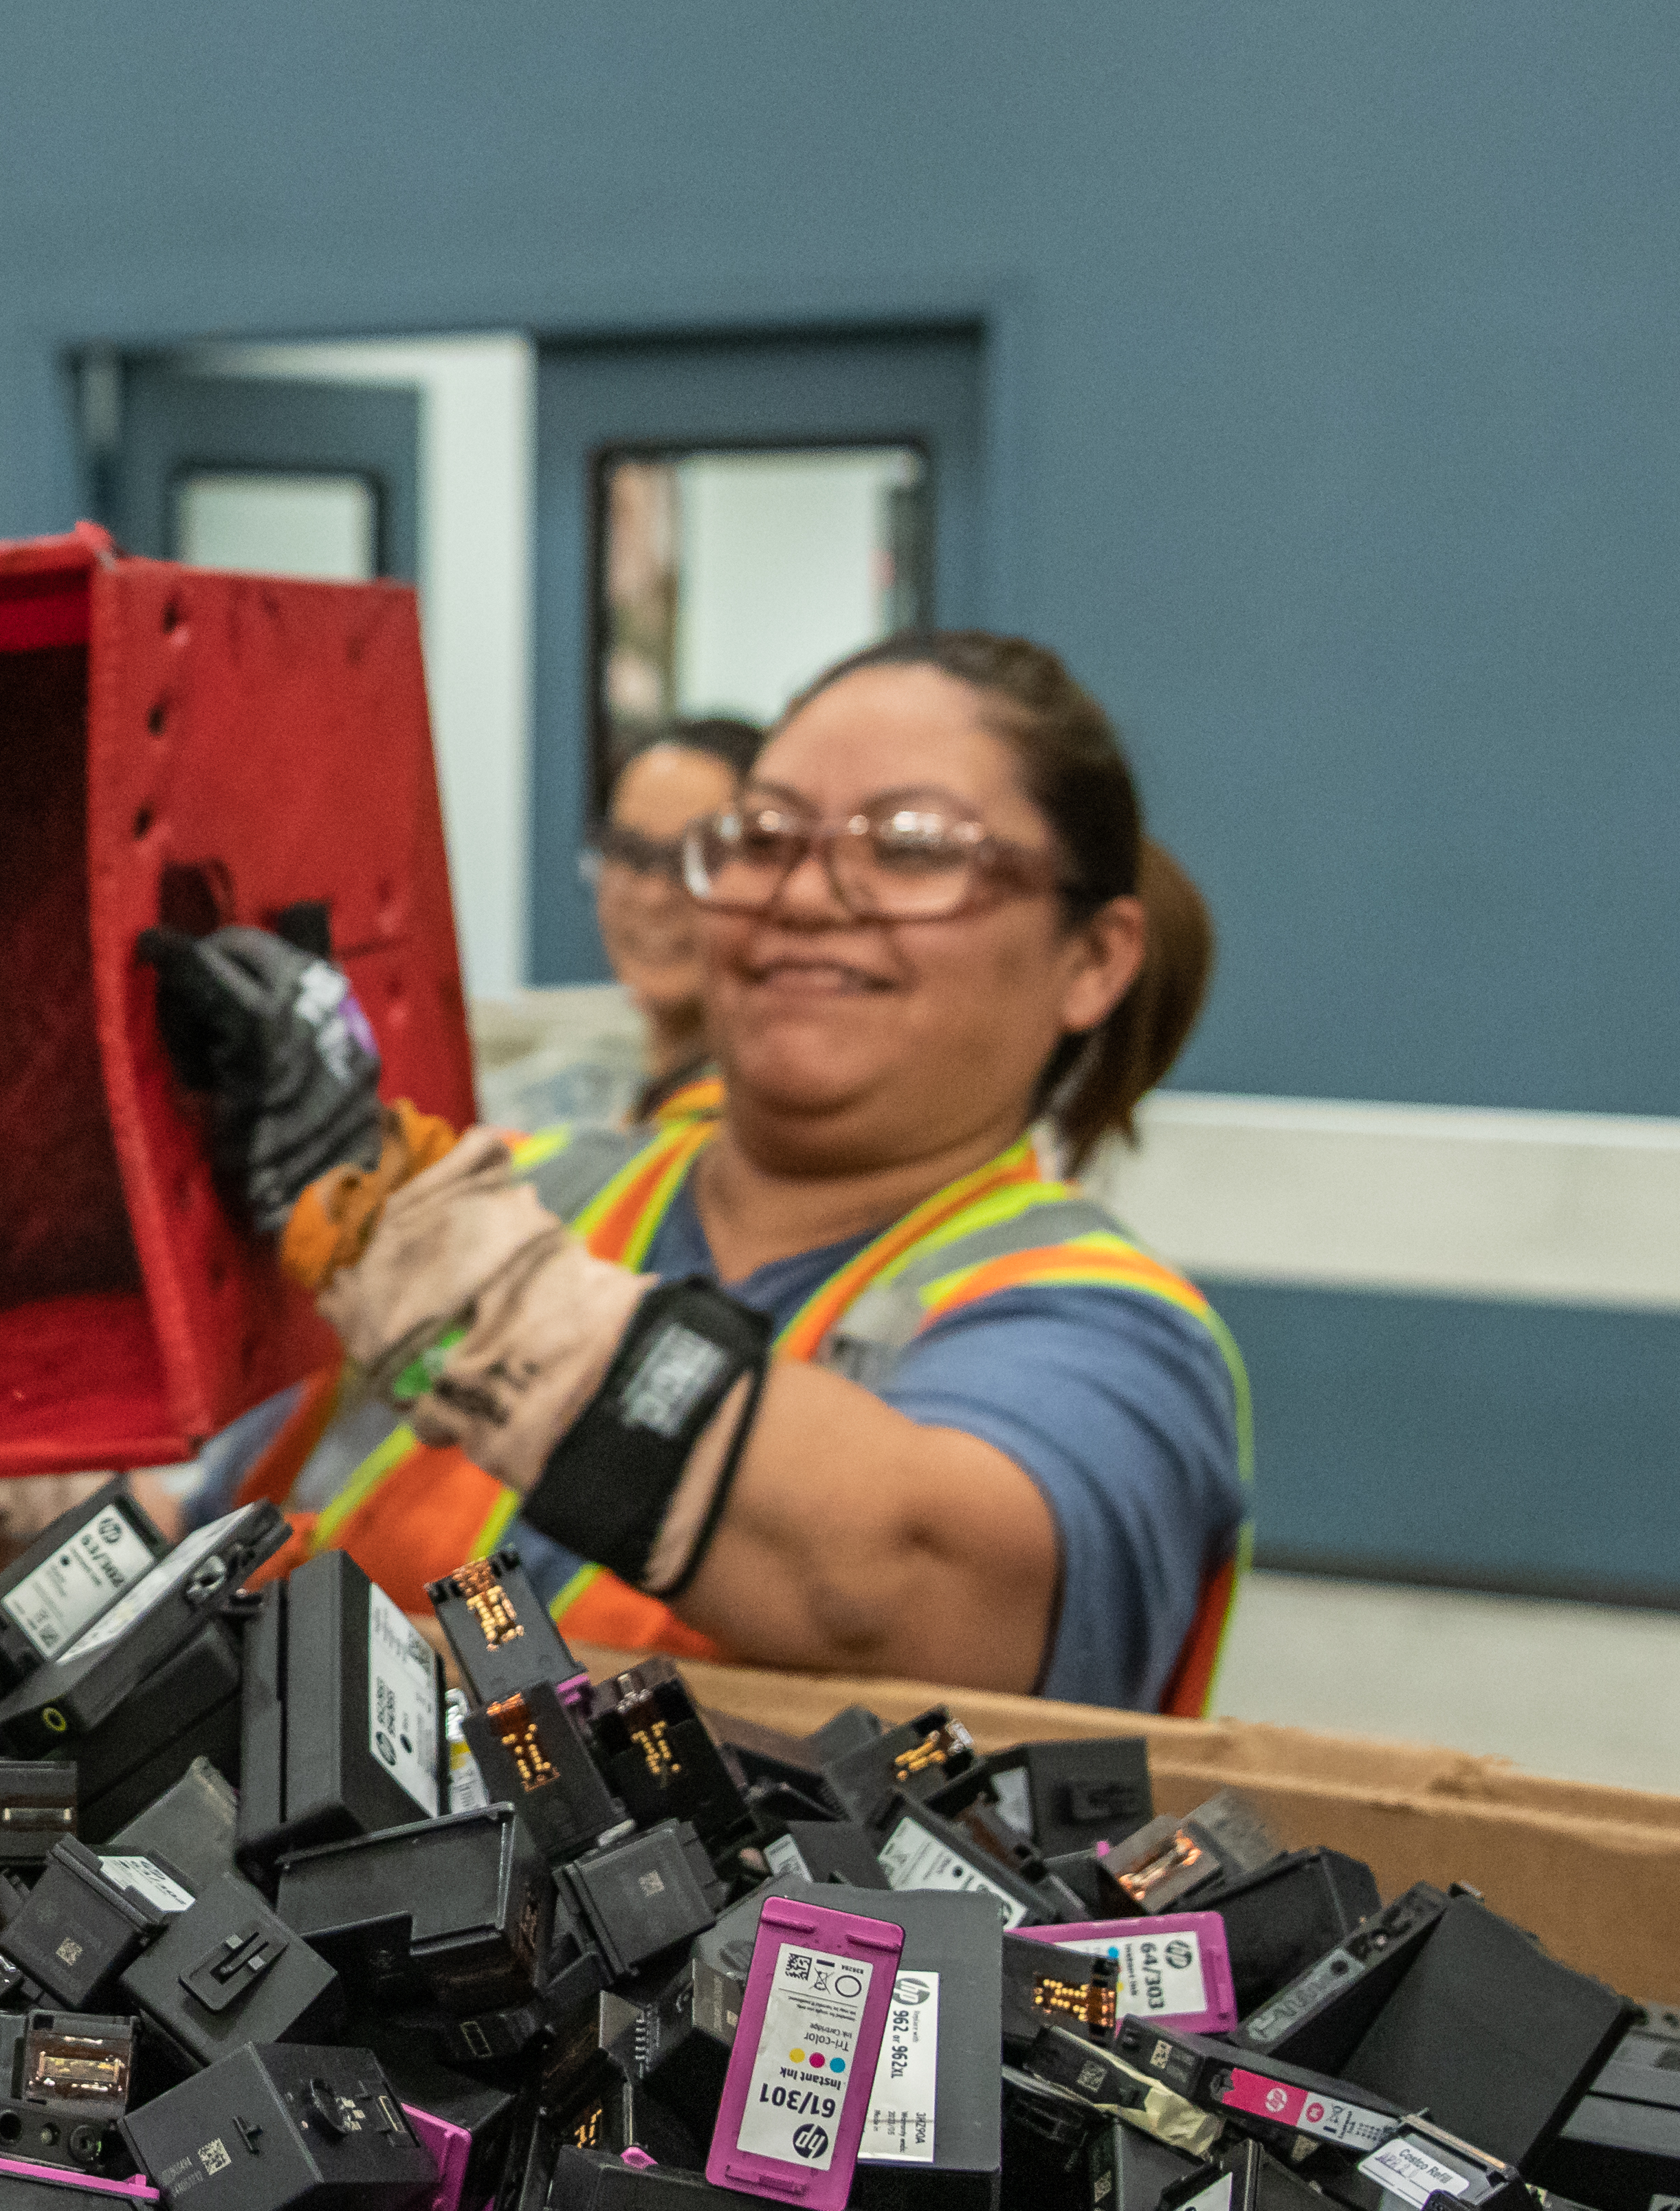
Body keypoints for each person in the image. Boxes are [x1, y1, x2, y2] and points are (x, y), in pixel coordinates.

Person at [153, 632, 1244, 1712]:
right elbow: (211, 1526)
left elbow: (898, 1573)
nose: (805, 898)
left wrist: (418, 1257)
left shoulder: (1108, 1333)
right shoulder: (525, 1189)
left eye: (913, 847)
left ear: (1093, 960)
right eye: (763, 839)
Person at [589, 716, 763, 1125]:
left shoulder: (759, 1137)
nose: (655, 896)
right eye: (630, 853)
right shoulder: (609, 1094)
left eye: (697, 861)